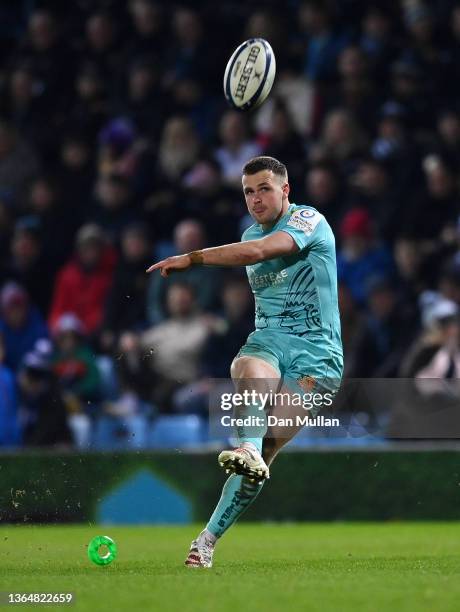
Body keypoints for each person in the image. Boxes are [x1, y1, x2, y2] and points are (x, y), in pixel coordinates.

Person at [146, 156, 343, 567]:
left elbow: (258, 251)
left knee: (267, 450)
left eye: (264, 189)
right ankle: (239, 464)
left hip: (318, 357)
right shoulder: (249, 232)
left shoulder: (308, 220)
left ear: (285, 190)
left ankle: (210, 532)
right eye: (248, 191)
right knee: (247, 366)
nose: (255, 199)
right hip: (270, 341)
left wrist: (192, 257)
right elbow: (251, 246)